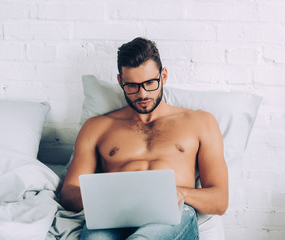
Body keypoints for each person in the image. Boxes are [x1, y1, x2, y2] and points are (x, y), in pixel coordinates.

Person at [60, 37, 228, 240]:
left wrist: (179, 193)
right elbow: (69, 194)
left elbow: (220, 199)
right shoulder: (96, 127)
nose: (142, 94)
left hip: (172, 214)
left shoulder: (200, 122)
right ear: (121, 81)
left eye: (150, 83)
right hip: (113, 213)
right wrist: (105, 196)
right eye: (132, 86)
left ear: (163, 76)